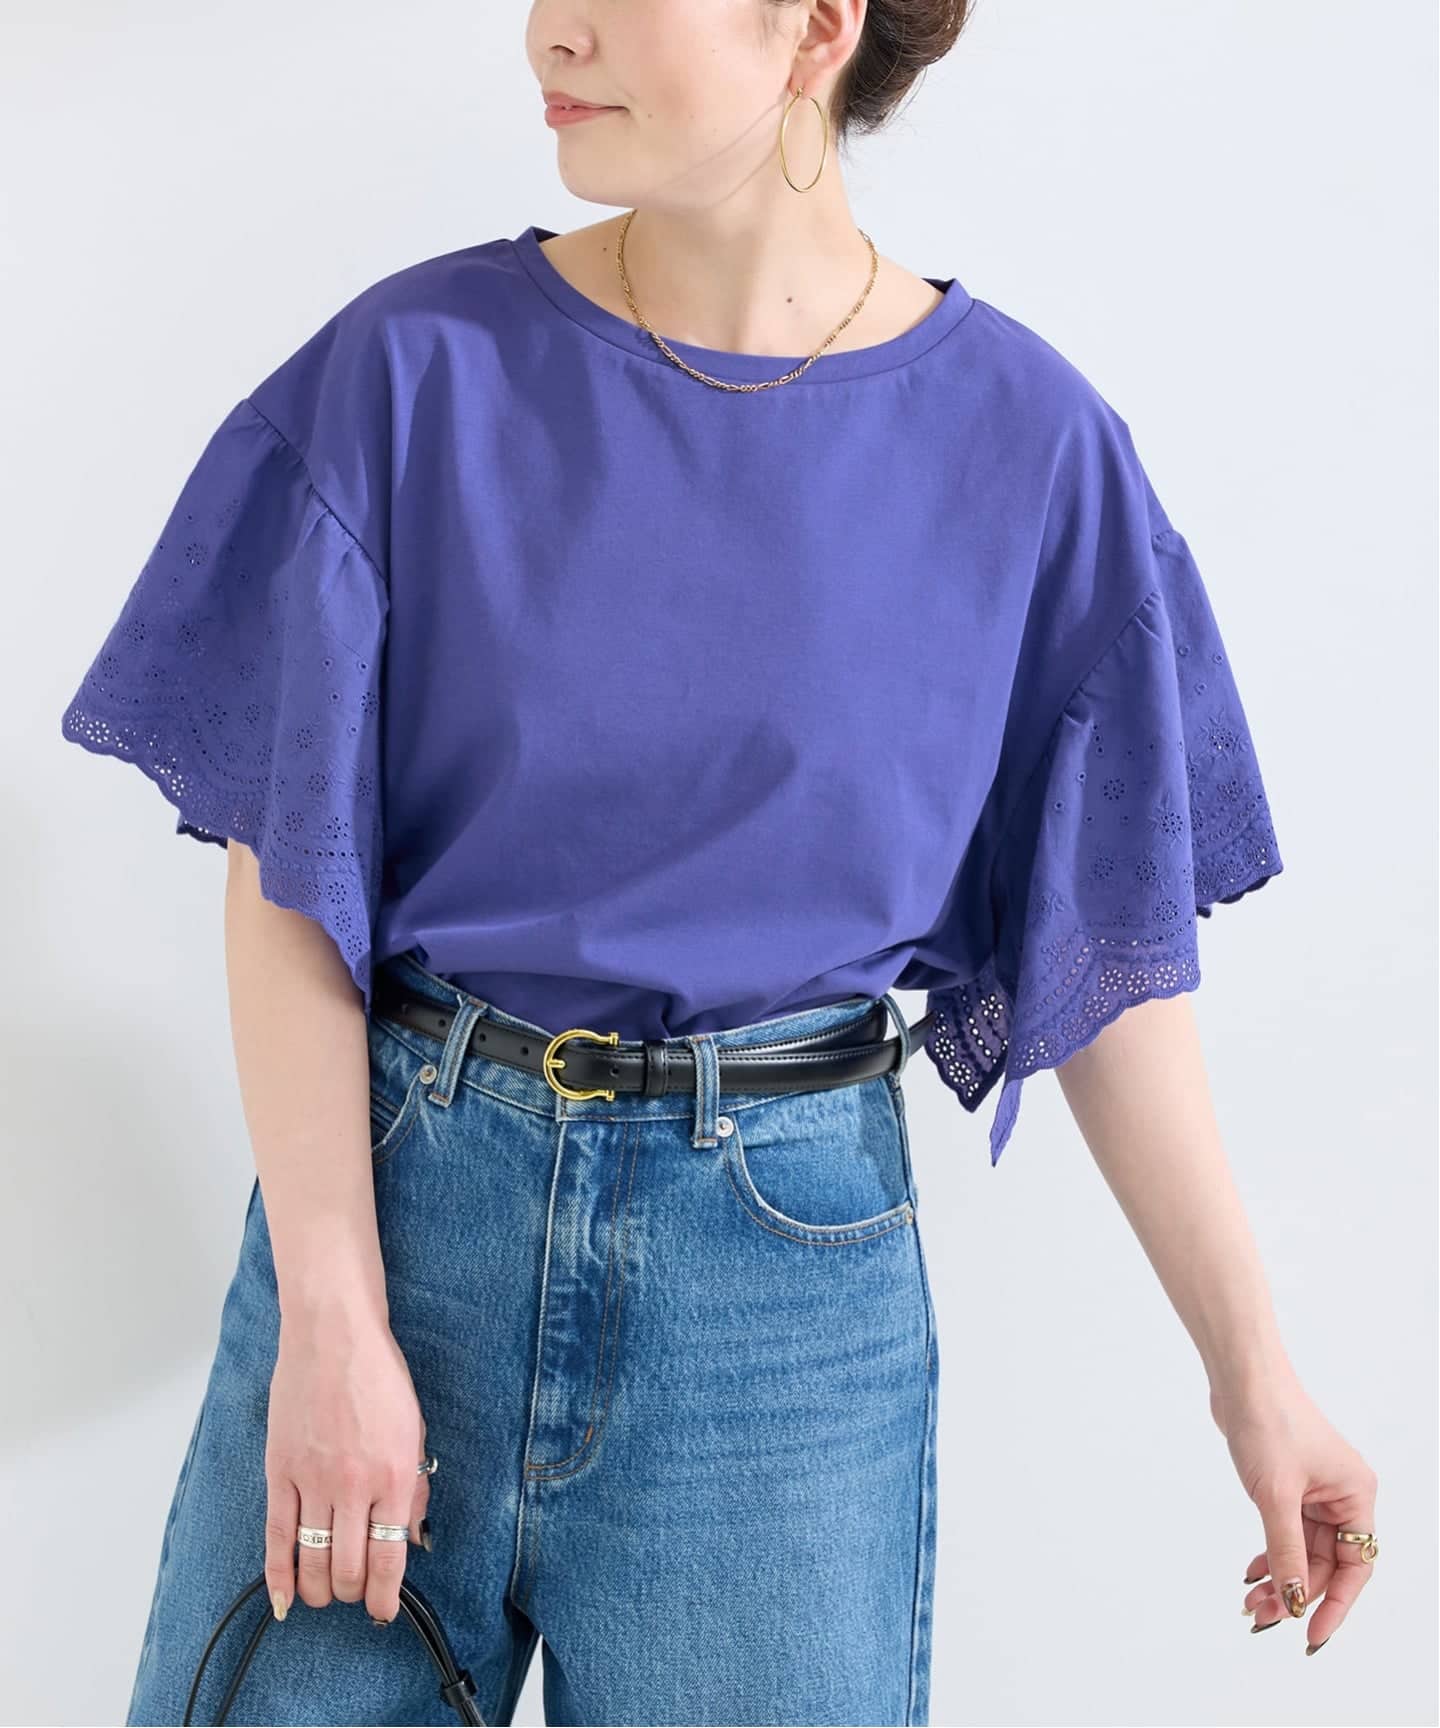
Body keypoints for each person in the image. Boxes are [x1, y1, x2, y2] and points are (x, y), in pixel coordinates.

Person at [60, 2, 1380, 1724]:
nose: (552, 30)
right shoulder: (410, 374)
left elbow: (1103, 957)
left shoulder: (1030, 451)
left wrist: (1252, 1375)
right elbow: (292, 880)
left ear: (817, 24)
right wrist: (331, 1317)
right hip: (398, 1229)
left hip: (779, 1324)